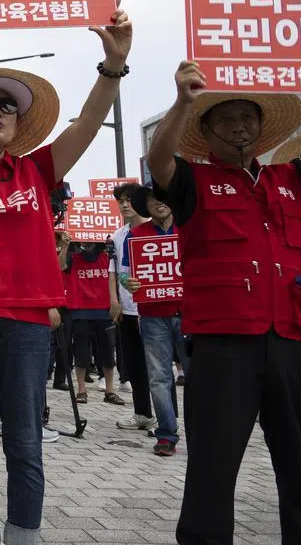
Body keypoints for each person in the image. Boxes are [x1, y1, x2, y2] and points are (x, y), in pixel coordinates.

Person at [0, 1, 133, 545]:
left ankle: (23, 536)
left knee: (25, 440)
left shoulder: (39, 169)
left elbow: (87, 124)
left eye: (7, 106)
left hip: (29, 323)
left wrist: (113, 66)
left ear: (18, 124)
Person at [147, 62, 301, 545]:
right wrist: (182, 101)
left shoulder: (294, 179)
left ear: (261, 126)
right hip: (225, 346)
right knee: (212, 470)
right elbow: (160, 164)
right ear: (206, 129)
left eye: (248, 117)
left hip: (294, 341)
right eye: (226, 118)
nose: (240, 125)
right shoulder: (193, 183)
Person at [120, 186, 187, 457]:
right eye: (153, 200)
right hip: (152, 316)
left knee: (197, 377)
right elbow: (124, 273)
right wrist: (129, 283)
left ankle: (201, 431)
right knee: (159, 378)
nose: (159, 203)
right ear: (145, 205)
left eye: (164, 197)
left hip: (188, 314)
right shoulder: (135, 235)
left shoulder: (188, 227)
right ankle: (167, 434)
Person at [109, 182, 156, 433]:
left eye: (129, 200)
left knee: (158, 368)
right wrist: (114, 300)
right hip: (127, 310)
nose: (125, 205)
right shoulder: (118, 235)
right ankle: (142, 413)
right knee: (135, 364)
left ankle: (168, 418)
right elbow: (113, 271)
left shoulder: (154, 230)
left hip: (153, 309)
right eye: (121, 201)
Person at [62, 241, 126, 406]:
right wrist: (64, 246)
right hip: (80, 311)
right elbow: (58, 267)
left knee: (107, 353)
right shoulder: (72, 258)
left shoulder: (108, 258)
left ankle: (110, 391)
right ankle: (81, 390)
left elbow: (119, 278)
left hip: (104, 311)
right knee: (81, 353)